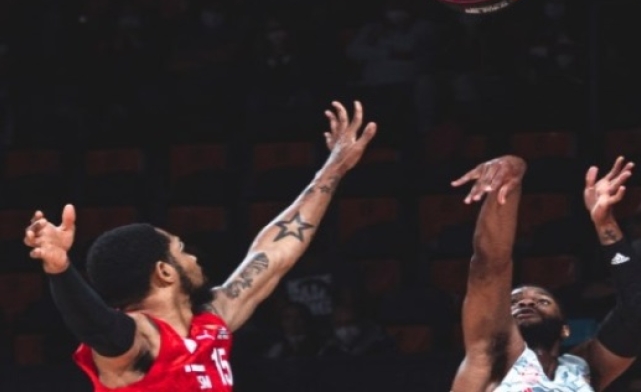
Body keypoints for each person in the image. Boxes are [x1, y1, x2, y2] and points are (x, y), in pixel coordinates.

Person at [22, 100, 376, 391]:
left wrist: (333, 169)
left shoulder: (211, 319)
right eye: (181, 250)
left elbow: (273, 254)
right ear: (164, 272)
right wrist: (60, 270)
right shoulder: (139, 339)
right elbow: (95, 326)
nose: (193, 257)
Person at [449, 155, 641, 391]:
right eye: (514, 302)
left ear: (565, 329)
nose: (527, 302)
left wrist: (606, 224)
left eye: (543, 301)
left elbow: (637, 311)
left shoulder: (585, 367)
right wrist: (510, 182)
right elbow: (489, 267)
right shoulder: (488, 359)